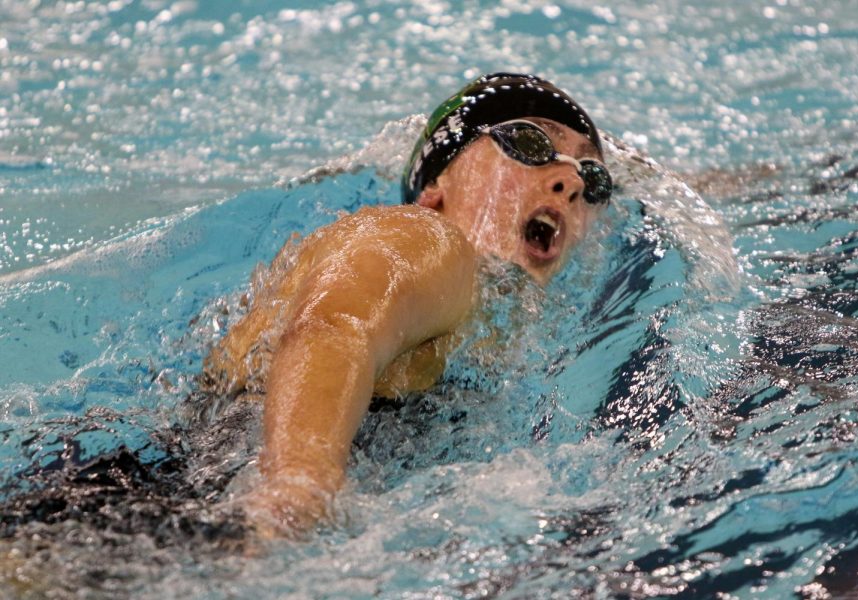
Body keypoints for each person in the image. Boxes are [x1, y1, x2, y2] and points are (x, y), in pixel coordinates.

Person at [202, 72, 614, 533]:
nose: (570, 182)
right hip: (219, 504)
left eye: (592, 177)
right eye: (530, 143)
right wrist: (298, 483)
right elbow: (334, 325)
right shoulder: (426, 237)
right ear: (435, 189)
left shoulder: (491, 317)